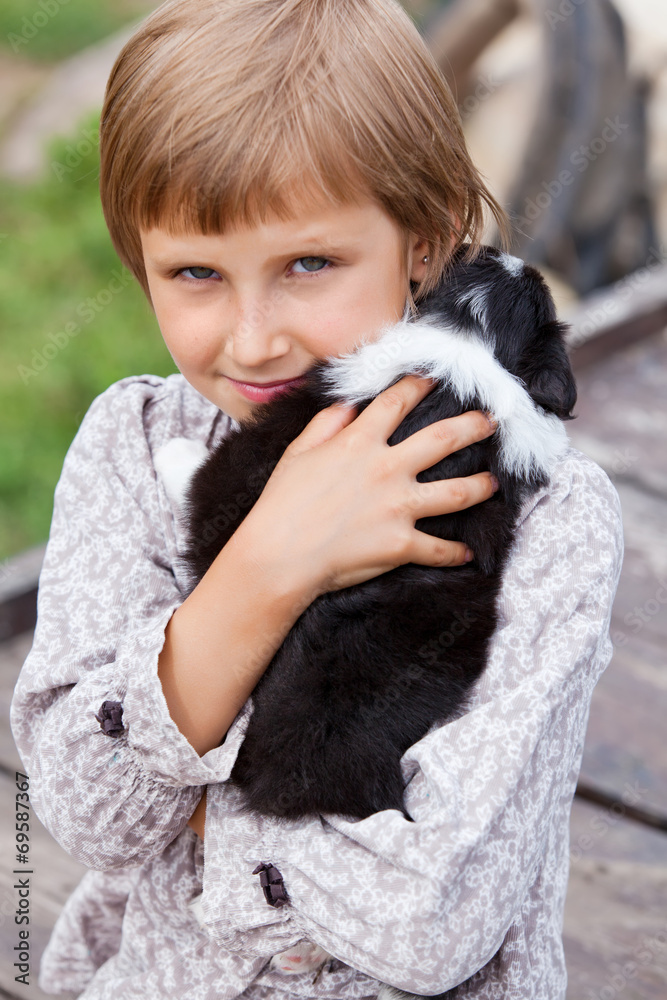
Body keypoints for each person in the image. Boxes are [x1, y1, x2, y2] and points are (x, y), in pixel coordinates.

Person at [10, 1, 623, 997]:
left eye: (308, 264)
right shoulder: (134, 447)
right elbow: (87, 817)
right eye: (195, 273)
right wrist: (265, 568)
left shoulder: (549, 522)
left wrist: (215, 817)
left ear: (421, 243)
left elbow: (431, 926)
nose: (253, 340)